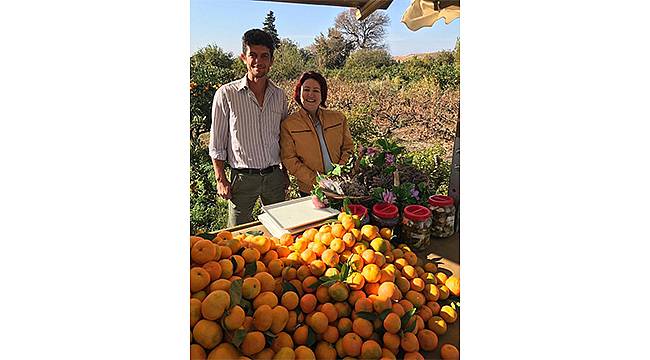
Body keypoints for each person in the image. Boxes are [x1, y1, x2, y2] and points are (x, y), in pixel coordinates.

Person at [209, 29, 288, 227]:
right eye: (253, 55)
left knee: (279, 231)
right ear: (243, 57)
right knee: (236, 236)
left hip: (274, 177)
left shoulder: (279, 96)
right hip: (243, 179)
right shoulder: (226, 94)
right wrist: (221, 179)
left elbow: (285, 139)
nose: (258, 61)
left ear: (272, 60)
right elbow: (217, 142)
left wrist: (285, 172)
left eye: (264, 56)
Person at [280, 71, 354, 196]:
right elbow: (289, 159)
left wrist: (340, 171)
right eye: (306, 89)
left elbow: (348, 148)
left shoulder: (338, 118)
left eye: (316, 90)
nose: (310, 94)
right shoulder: (289, 124)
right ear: (299, 93)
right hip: (310, 189)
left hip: (341, 184)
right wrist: (317, 180)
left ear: (322, 95)